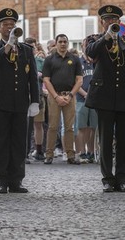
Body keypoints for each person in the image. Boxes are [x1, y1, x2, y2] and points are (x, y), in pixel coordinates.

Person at [85, 5, 125, 192]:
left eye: (115, 20)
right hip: (104, 98)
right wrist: (107, 36)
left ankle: (121, 178)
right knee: (106, 140)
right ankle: (107, 178)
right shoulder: (96, 40)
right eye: (108, 20)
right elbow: (91, 53)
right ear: (102, 22)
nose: (111, 22)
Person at [0, 8, 39, 193]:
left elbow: (32, 77)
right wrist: (8, 45)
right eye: (6, 25)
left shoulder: (26, 50)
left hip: (20, 101)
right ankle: (1, 180)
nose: (9, 28)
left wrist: (35, 100)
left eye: (12, 25)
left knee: (18, 142)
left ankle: (16, 180)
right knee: (0, 142)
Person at [42, 34, 83, 165]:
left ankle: (70, 155)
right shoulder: (49, 59)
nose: (63, 44)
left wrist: (70, 95)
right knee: (53, 126)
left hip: (69, 96)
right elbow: (46, 80)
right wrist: (55, 96)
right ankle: (49, 155)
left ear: (68, 43)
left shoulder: (75, 59)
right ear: (56, 43)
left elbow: (79, 80)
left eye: (65, 41)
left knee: (69, 127)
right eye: (60, 42)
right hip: (54, 96)